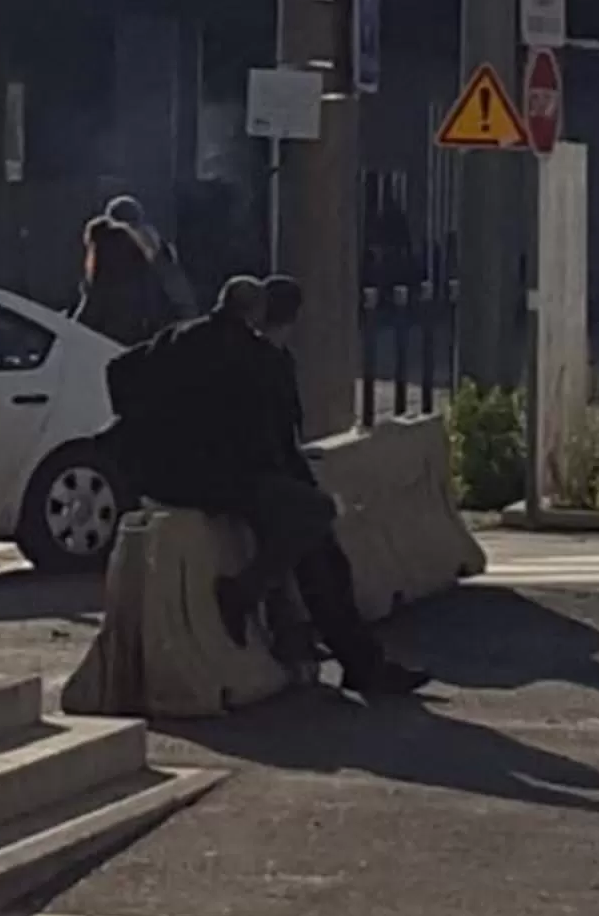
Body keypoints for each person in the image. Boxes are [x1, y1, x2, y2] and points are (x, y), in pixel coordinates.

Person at [109, 276, 426, 700]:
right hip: (217, 480)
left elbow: (118, 372)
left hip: (167, 475)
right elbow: (273, 446)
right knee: (315, 518)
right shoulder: (254, 358)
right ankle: (246, 596)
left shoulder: (178, 337)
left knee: (310, 534)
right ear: (255, 314)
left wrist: (152, 431)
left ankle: (345, 655)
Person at [73, 193, 196, 343]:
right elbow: (182, 301)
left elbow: (93, 305)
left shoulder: (108, 252)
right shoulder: (157, 253)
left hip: (118, 339)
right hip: (151, 339)